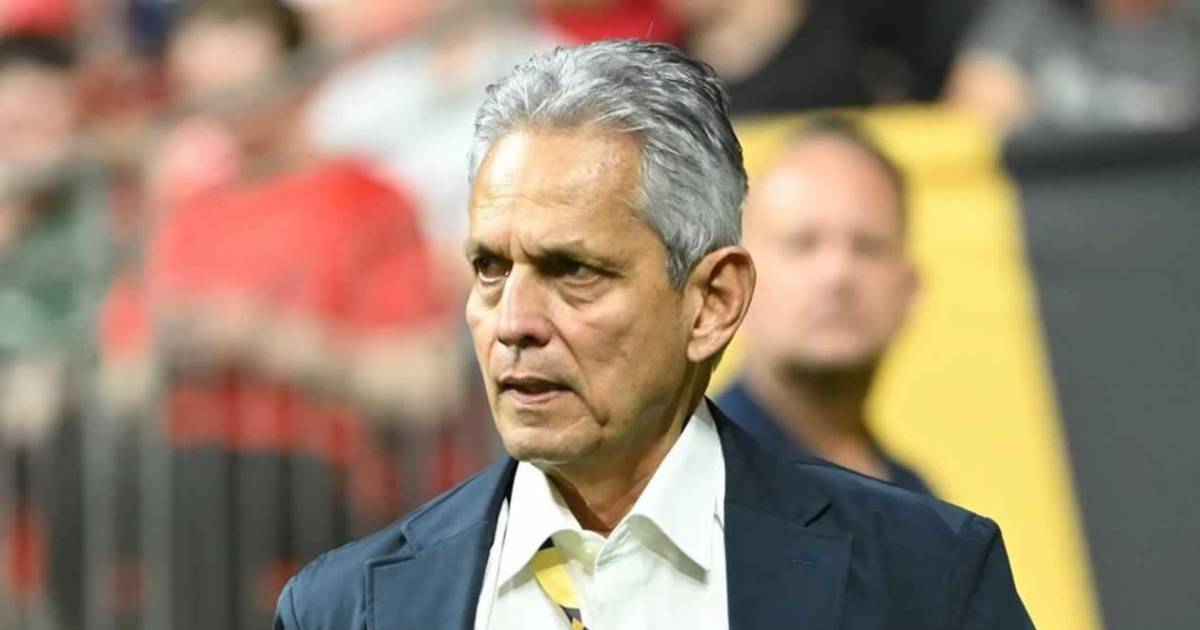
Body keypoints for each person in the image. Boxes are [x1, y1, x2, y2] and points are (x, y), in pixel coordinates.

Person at [273, 39, 1033, 629]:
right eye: (490, 268)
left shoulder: (926, 575)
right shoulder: (342, 609)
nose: (514, 322)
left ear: (712, 302)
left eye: (573, 270)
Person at [717, 116, 932, 495]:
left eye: (868, 246)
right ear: (734, 285)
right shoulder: (683, 476)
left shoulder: (917, 500)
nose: (837, 274)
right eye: (802, 243)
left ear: (909, 291)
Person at [946, 0, 1200, 133]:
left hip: (1164, 200)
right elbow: (972, 107)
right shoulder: (1034, 12)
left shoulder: (1189, 28)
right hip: (1056, 199)